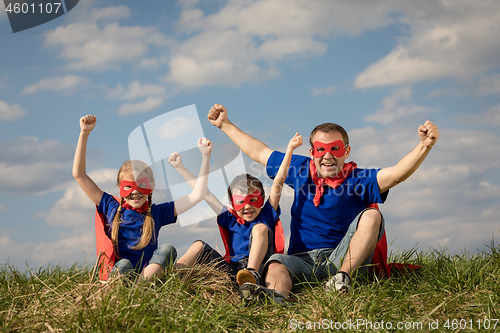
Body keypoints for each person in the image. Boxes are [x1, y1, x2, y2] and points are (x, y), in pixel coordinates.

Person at [207, 103, 439, 303]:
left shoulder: (359, 178)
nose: (327, 155)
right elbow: (259, 152)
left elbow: (397, 174)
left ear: (346, 151)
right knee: (276, 264)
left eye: (334, 149)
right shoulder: (299, 169)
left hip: (342, 257)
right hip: (301, 259)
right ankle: (276, 301)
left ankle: (342, 280)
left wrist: (425, 145)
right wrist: (225, 124)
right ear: (312, 152)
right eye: (321, 149)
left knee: (373, 215)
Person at [73, 115, 211, 281]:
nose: (135, 191)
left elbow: (197, 195)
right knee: (124, 264)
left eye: (141, 185)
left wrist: (205, 157)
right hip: (120, 276)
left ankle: (139, 290)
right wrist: (84, 133)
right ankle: (122, 292)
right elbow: (79, 175)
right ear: (119, 187)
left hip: (147, 278)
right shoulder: (110, 206)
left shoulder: (157, 213)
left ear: (151, 186)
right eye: (128, 186)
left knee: (167, 250)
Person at [170, 133, 302, 296]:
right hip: (233, 272)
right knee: (199, 245)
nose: (247, 206)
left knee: (260, 228)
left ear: (261, 200)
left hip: (262, 270)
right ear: (233, 203)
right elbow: (204, 192)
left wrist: (290, 149)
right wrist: (180, 167)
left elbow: (278, 181)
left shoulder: (266, 214)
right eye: (241, 201)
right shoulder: (230, 218)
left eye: (253, 200)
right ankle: (171, 280)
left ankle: (251, 275)